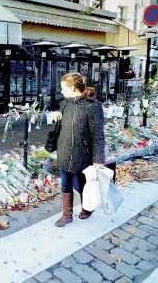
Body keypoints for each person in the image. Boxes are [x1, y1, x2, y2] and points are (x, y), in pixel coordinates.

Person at [54, 73, 105, 227]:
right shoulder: (64, 104)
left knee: (83, 184)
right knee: (65, 183)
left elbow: (98, 135)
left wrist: (98, 159)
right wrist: (57, 119)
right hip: (64, 150)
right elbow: (62, 128)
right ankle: (67, 214)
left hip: (82, 154)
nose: (61, 91)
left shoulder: (93, 107)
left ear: (73, 88)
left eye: (63, 88)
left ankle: (87, 207)